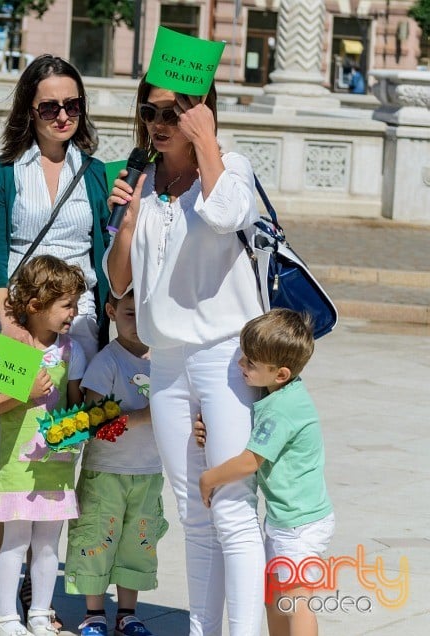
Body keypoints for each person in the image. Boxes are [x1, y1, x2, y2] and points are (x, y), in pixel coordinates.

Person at [105, 76, 266, 635]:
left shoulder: (232, 168)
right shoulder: (143, 180)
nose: (159, 123)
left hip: (225, 355)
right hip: (166, 357)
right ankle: (203, 628)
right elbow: (119, 282)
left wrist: (208, 143)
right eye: (151, 111)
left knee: (231, 503)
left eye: (175, 113)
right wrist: (126, 221)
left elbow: (226, 217)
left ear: (202, 113)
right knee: (191, 508)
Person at [0, 55, 109, 632]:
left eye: (72, 105)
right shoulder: (5, 170)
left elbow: (104, 246)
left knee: (58, 451)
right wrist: (10, 325)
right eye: (50, 105)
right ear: (29, 108)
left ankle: (44, 593)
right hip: (16, 319)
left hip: (78, 322)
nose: (62, 115)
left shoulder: (97, 171)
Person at [197, 309, 334, 636]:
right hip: (287, 519)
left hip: (300, 525)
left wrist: (208, 478)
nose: (241, 365)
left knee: (297, 599)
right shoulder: (283, 392)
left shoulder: (280, 410)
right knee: (274, 596)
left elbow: (249, 462)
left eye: (250, 363)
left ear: (281, 373)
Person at [0, 255, 87, 636]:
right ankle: (5, 617)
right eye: (66, 305)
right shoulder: (9, 344)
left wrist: (80, 426)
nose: (74, 312)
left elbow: (74, 405)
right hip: (17, 462)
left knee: (49, 546)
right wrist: (24, 393)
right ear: (36, 306)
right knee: (15, 541)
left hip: (55, 464)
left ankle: (39, 612)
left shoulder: (72, 350)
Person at [65, 290, 167, 636]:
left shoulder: (164, 361)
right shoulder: (107, 362)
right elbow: (93, 423)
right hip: (106, 471)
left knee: (138, 542)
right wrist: (142, 417)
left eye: (145, 314)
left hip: (149, 471)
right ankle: (95, 612)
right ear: (110, 311)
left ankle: (128, 612)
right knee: (96, 538)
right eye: (129, 314)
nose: (138, 324)